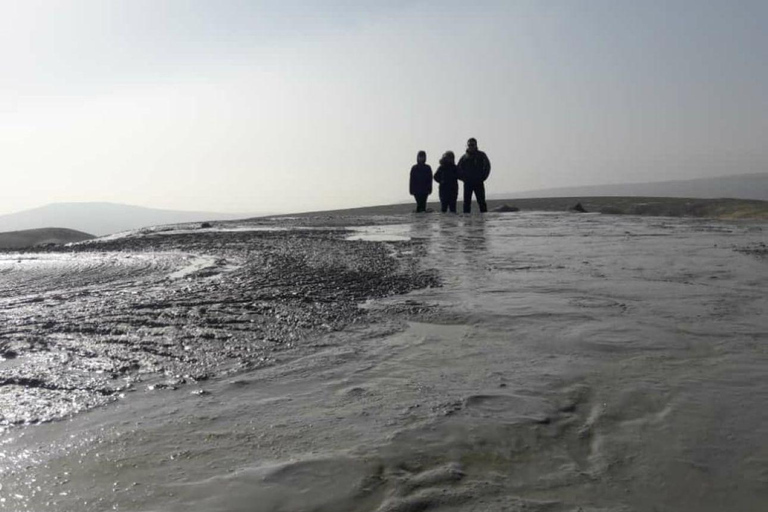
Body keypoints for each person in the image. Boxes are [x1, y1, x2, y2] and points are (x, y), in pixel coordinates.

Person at [457, 137, 491, 213]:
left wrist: (483, 177)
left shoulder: (481, 155)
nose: (471, 147)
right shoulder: (464, 157)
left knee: (481, 202)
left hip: (478, 182)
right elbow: (458, 169)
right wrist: (463, 178)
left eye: (472, 145)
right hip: (468, 183)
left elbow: (487, 166)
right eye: (469, 145)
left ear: (476, 145)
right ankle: (467, 222)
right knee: (466, 203)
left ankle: (483, 219)